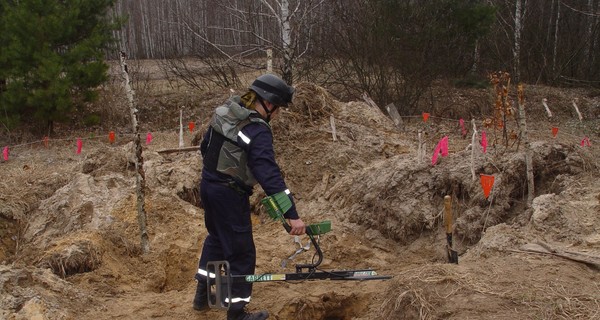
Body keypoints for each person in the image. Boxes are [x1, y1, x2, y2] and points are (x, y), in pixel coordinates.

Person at [192, 74, 306, 320]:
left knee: (216, 238)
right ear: (269, 102)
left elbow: (205, 147)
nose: (277, 115)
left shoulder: (226, 112)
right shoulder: (257, 130)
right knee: (242, 253)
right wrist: (292, 215)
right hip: (230, 195)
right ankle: (237, 313)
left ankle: (202, 297)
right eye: (278, 109)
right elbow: (270, 176)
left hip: (208, 186)